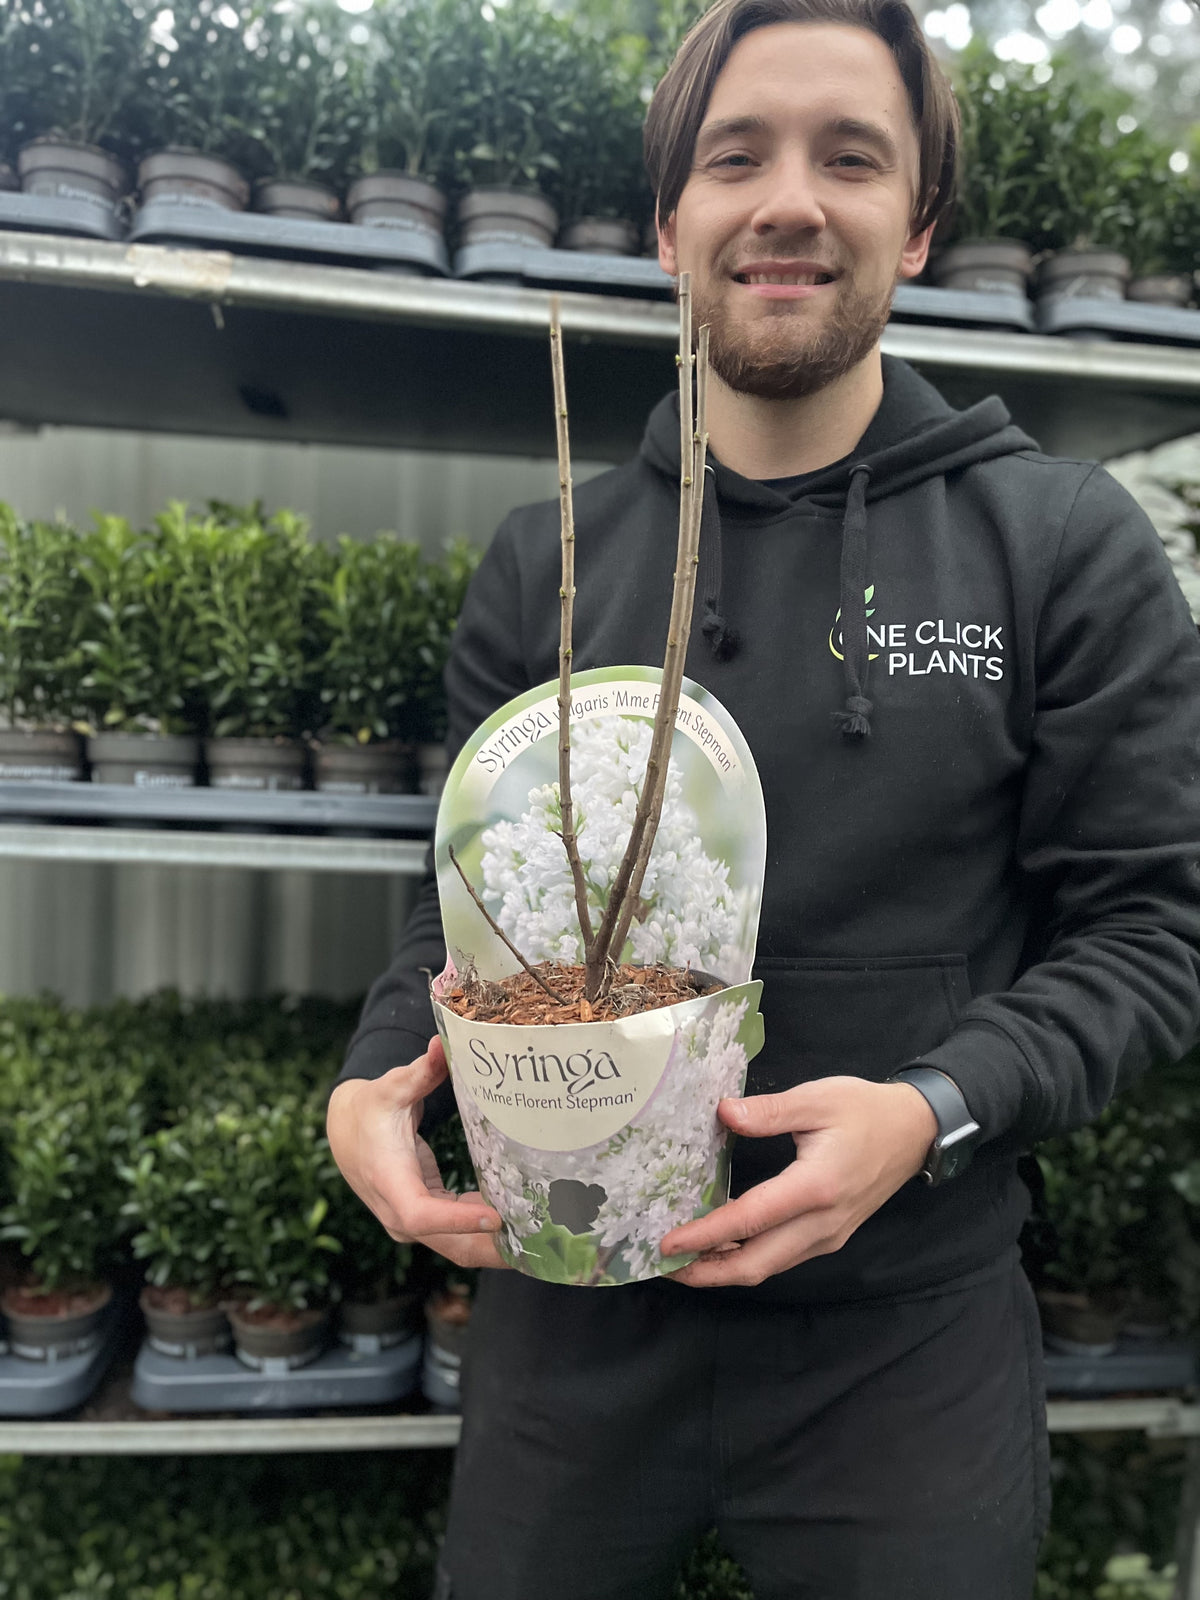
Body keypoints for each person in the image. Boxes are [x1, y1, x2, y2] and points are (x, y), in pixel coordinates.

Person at [326, 1, 1200, 1594]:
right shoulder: (548, 560)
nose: (790, 199)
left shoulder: (1059, 545)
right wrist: (380, 1078)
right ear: (673, 220)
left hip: (904, 1333)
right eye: (738, 155)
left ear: (918, 223)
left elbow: (1153, 930)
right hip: (570, 1303)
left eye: (850, 157)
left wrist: (931, 1111)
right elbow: (455, 911)